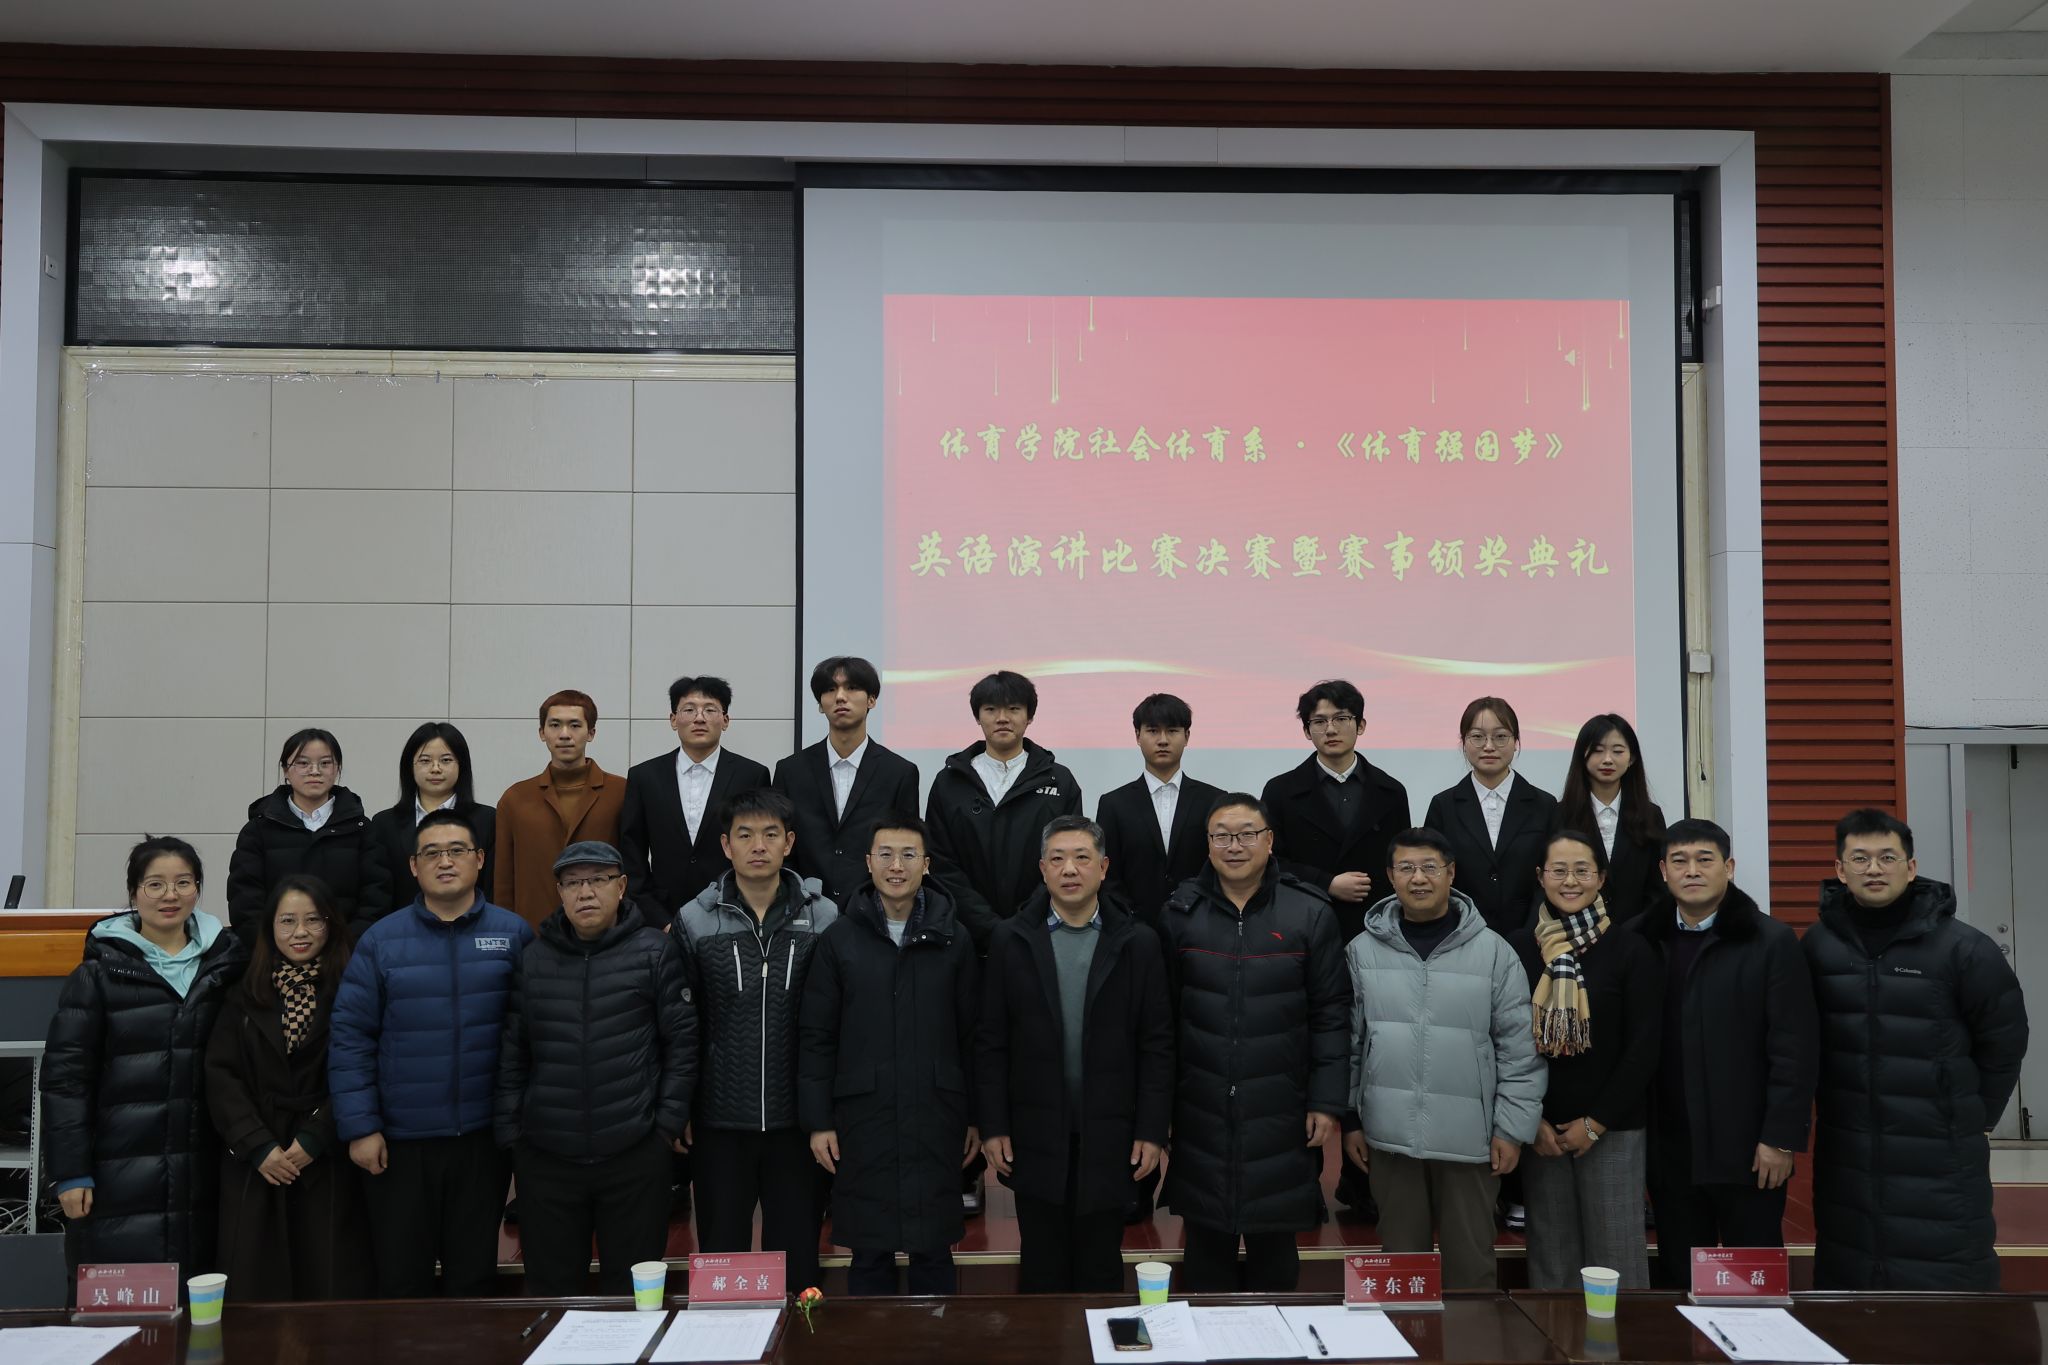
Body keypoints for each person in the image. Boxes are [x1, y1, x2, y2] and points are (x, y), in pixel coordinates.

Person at [1802, 808, 2029, 1290]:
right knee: (1851, 1276)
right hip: (1848, 1147)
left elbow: (2005, 1039)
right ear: (1840, 870)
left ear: (1911, 867)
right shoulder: (1818, 946)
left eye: (1887, 857)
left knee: (1948, 1280)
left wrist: (1975, 1115)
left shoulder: (1963, 948)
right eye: (1860, 858)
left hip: (1941, 1150)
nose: (1874, 869)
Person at [329, 809, 533, 1296]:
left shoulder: (513, 935)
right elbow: (351, 1036)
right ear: (413, 866)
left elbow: (532, 1034)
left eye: (457, 850)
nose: (445, 861)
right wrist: (361, 1127)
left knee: (474, 1276)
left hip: (484, 1141)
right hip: (400, 1143)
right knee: (402, 1278)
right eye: (432, 853)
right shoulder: (381, 941)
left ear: (479, 859)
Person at [1160, 794, 1350, 1292]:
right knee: (1205, 1256)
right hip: (1200, 1107)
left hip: (1281, 1107)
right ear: (1208, 845)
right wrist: (1161, 1109)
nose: (1234, 846)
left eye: (1246, 834)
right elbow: (1162, 1023)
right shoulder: (1180, 913)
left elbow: (1331, 1014)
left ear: (1269, 841)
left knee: (1276, 1257)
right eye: (1222, 836)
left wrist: (1326, 1101)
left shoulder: (1309, 912)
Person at [1341, 829, 1543, 1291]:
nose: (1419, 878)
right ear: (1390, 876)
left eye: (1430, 867)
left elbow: (1519, 1050)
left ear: (1451, 873)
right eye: (1406, 868)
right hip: (1389, 1136)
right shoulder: (1361, 952)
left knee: (1470, 1272)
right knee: (1401, 1269)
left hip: (1470, 1141)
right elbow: (1350, 1044)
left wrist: (1511, 1129)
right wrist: (1350, 1119)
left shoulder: (1494, 952)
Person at [978, 816, 1173, 1292]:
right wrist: (993, 1125)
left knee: (1100, 1265)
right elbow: (990, 1041)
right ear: (1042, 869)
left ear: (1103, 868)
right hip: (1033, 1131)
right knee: (1041, 1266)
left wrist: (1152, 1130)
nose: (1070, 869)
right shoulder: (1011, 939)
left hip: (1110, 1133)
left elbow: (1157, 1044)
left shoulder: (1137, 942)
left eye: (1082, 858)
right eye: (1058, 859)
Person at [495, 841, 695, 1296]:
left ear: (621, 887)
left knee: (632, 1295)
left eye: (598, 880)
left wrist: (665, 1125)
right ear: (560, 893)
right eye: (572, 883)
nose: (585, 892)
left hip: (634, 1152)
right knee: (551, 1291)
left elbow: (682, 1044)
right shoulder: (535, 959)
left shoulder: (654, 951)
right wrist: (513, 1136)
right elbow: (513, 1052)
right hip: (547, 1158)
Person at [43, 836, 246, 1277]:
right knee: (121, 1301)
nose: (170, 895)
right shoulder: (98, 974)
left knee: (204, 1302)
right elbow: (66, 1081)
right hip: (117, 1174)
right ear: (134, 892)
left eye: (183, 882)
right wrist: (70, 1172)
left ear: (198, 889)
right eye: (155, 884)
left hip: (208, 1171)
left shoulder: (229, 966)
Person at [799, 813, 981, 1295]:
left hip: (935, 1112)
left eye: (907, 855)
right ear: (868, 862)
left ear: (927, 864)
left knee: (934, 1251)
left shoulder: (953, 937)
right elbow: (817, 1036)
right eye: (885, 854)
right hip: (863, 1116)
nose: (896, 866)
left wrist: (975, 1117)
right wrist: (819, 1121)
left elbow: (972, 1036)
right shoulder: (839, 939)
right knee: (869, 1253)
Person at [1633, 819, 1817, 1290]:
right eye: (1679, 861)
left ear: (1729, 868)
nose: (1692, 871)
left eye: (1705, 860)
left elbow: (1794, 1048)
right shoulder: (1642, 939)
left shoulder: (1770, 940)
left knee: (1754, 1280)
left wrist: (1780, 1138)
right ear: (1663, 871)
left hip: (1749, 1149)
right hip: (1671, 1148)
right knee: (1680, 1277)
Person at [676, 788, 837, 1292]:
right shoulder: (695, 919)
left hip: (797, 1124)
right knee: (721, 1263)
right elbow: (681, 1022)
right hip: (719, 1122)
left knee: (798, 1267)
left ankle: (802, 1337)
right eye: (745, 836)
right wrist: (680, 1105)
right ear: (726, 845)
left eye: (771, 835)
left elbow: (836, 1024)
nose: (758, 846)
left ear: (789, 842)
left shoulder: (824, 917)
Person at [205, 875, 373, 1301]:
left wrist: (317, 1136)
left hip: (327, 1157)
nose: (301, 932)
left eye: (313, 920)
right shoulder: (242, 993)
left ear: (331, 924)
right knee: (256, 1292)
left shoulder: (356, 988)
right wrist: (257, 1145)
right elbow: (221, 1076)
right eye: (287, 921)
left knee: (330, 1286)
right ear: (270, 928)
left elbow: (365, 1068)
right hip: (258, 1159)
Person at [1509, 829, 1661, 1292]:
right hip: (1542, 1132)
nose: (1570, 881)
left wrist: (1596, 1123)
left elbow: (1644, 1047)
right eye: (1559, 870)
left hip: (1612, 1127)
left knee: (1617, 1259)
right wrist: (1531, 1122)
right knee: (1551, 1261)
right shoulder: (1518, 948)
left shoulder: (1630, 948)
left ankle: (1622, 1337)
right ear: (1540, 877)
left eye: (1582, 870)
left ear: (1601, 878)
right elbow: (1505, 1040)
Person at [925, 670, 1085, 952]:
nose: (1002, 718)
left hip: (1040, 932)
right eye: (991, 709)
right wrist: (988, 925)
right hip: (964, 935)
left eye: (1013, 709)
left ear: (1029, 716)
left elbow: (1066, 859)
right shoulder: (949, 782)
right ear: (977, 716)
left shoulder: (1059, 781)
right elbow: (941, 863)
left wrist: (1024, 920)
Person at [1260, 680, 1411, 944]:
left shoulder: (1391, 791)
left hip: (1376, 926)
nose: (1330, 729)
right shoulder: (1280, 791)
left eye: (1341, 718)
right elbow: (1268, 861)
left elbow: (1403, 861)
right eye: (1319, 721)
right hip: (1302, 924)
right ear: (1307, 731)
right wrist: (1325, 883)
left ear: (1361, 725)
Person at [773, 657, 921, 906]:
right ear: (820, 705)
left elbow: (906, 848)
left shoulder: (899, 772)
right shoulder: (790, 770)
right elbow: (781, 846)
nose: (840, 697)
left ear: (871, 700)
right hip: (803, 910)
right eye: (830, 689)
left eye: (852, 688)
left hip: (872, 910)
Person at [622, 675, 772, 918]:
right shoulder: (644, 776)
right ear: (673, 720)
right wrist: (657, 918)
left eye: (710, 710)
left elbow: (760, 847)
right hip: (663, 914)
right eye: (689, 710)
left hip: (733, 912)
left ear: (725, 720)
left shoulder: (752, 775)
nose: (699, 718)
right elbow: (632, 853)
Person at [227, 728, 389, 946]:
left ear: (337, 769)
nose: (315, 771)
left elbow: (376, 898)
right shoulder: (258, 830)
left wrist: (344, 949)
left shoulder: (361, 829)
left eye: (325, 763)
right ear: (286, 770)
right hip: (276, 955)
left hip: (345, 954)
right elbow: (244, 901)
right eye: (303, 763)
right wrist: (274, 950)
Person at [1424, 698, 1559, 940]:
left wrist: (1530, 931)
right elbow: (1435, 874)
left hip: (1533, 936)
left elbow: (1552, 874)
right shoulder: (1443, 806)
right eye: (1477, 736)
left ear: (1516, 742)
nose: (1489, 746)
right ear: (1464, 742)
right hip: (1461, 935)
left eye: (1500, 736)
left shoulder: (1544, 805)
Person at [495, 690, 625, 929]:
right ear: (542, 733)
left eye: (575, 725)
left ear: (591, 733)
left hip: (607, 933)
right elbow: (503, 882)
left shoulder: (620, 792)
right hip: (534, 934)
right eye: (555, 725)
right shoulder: (515, 799)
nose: (564, 734)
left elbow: (634, 868)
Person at [1097, 693, 1224, 930]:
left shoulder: (1214, 800)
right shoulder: (1113, 804)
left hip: (1203, 928)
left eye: (1172, 731)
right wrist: (1129, 924)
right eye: (1153, 731)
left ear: (1187, 736)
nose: (1163, 740)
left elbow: (1221, 868)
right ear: (1137, 736)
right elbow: (1108, 875)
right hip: (1133, 930)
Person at [367, 723, 497, 930]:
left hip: (472, 930)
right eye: (425, 760)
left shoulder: (488, 819)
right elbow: (377, 894)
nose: (435, 769)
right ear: (409, 766)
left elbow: (492, 888)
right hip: (403, 934)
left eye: (446, 760)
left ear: (461, 765)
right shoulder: (384, 823)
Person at [1556, 714, 1667, 924]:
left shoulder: (1651, 815)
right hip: (1577, 933)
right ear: (1582, 755)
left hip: (1638, 935)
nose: (1607, 759)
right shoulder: (1561, 814)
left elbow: (1658, 886)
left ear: (1632, 758)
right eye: (1598, 750)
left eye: (1617, 751)